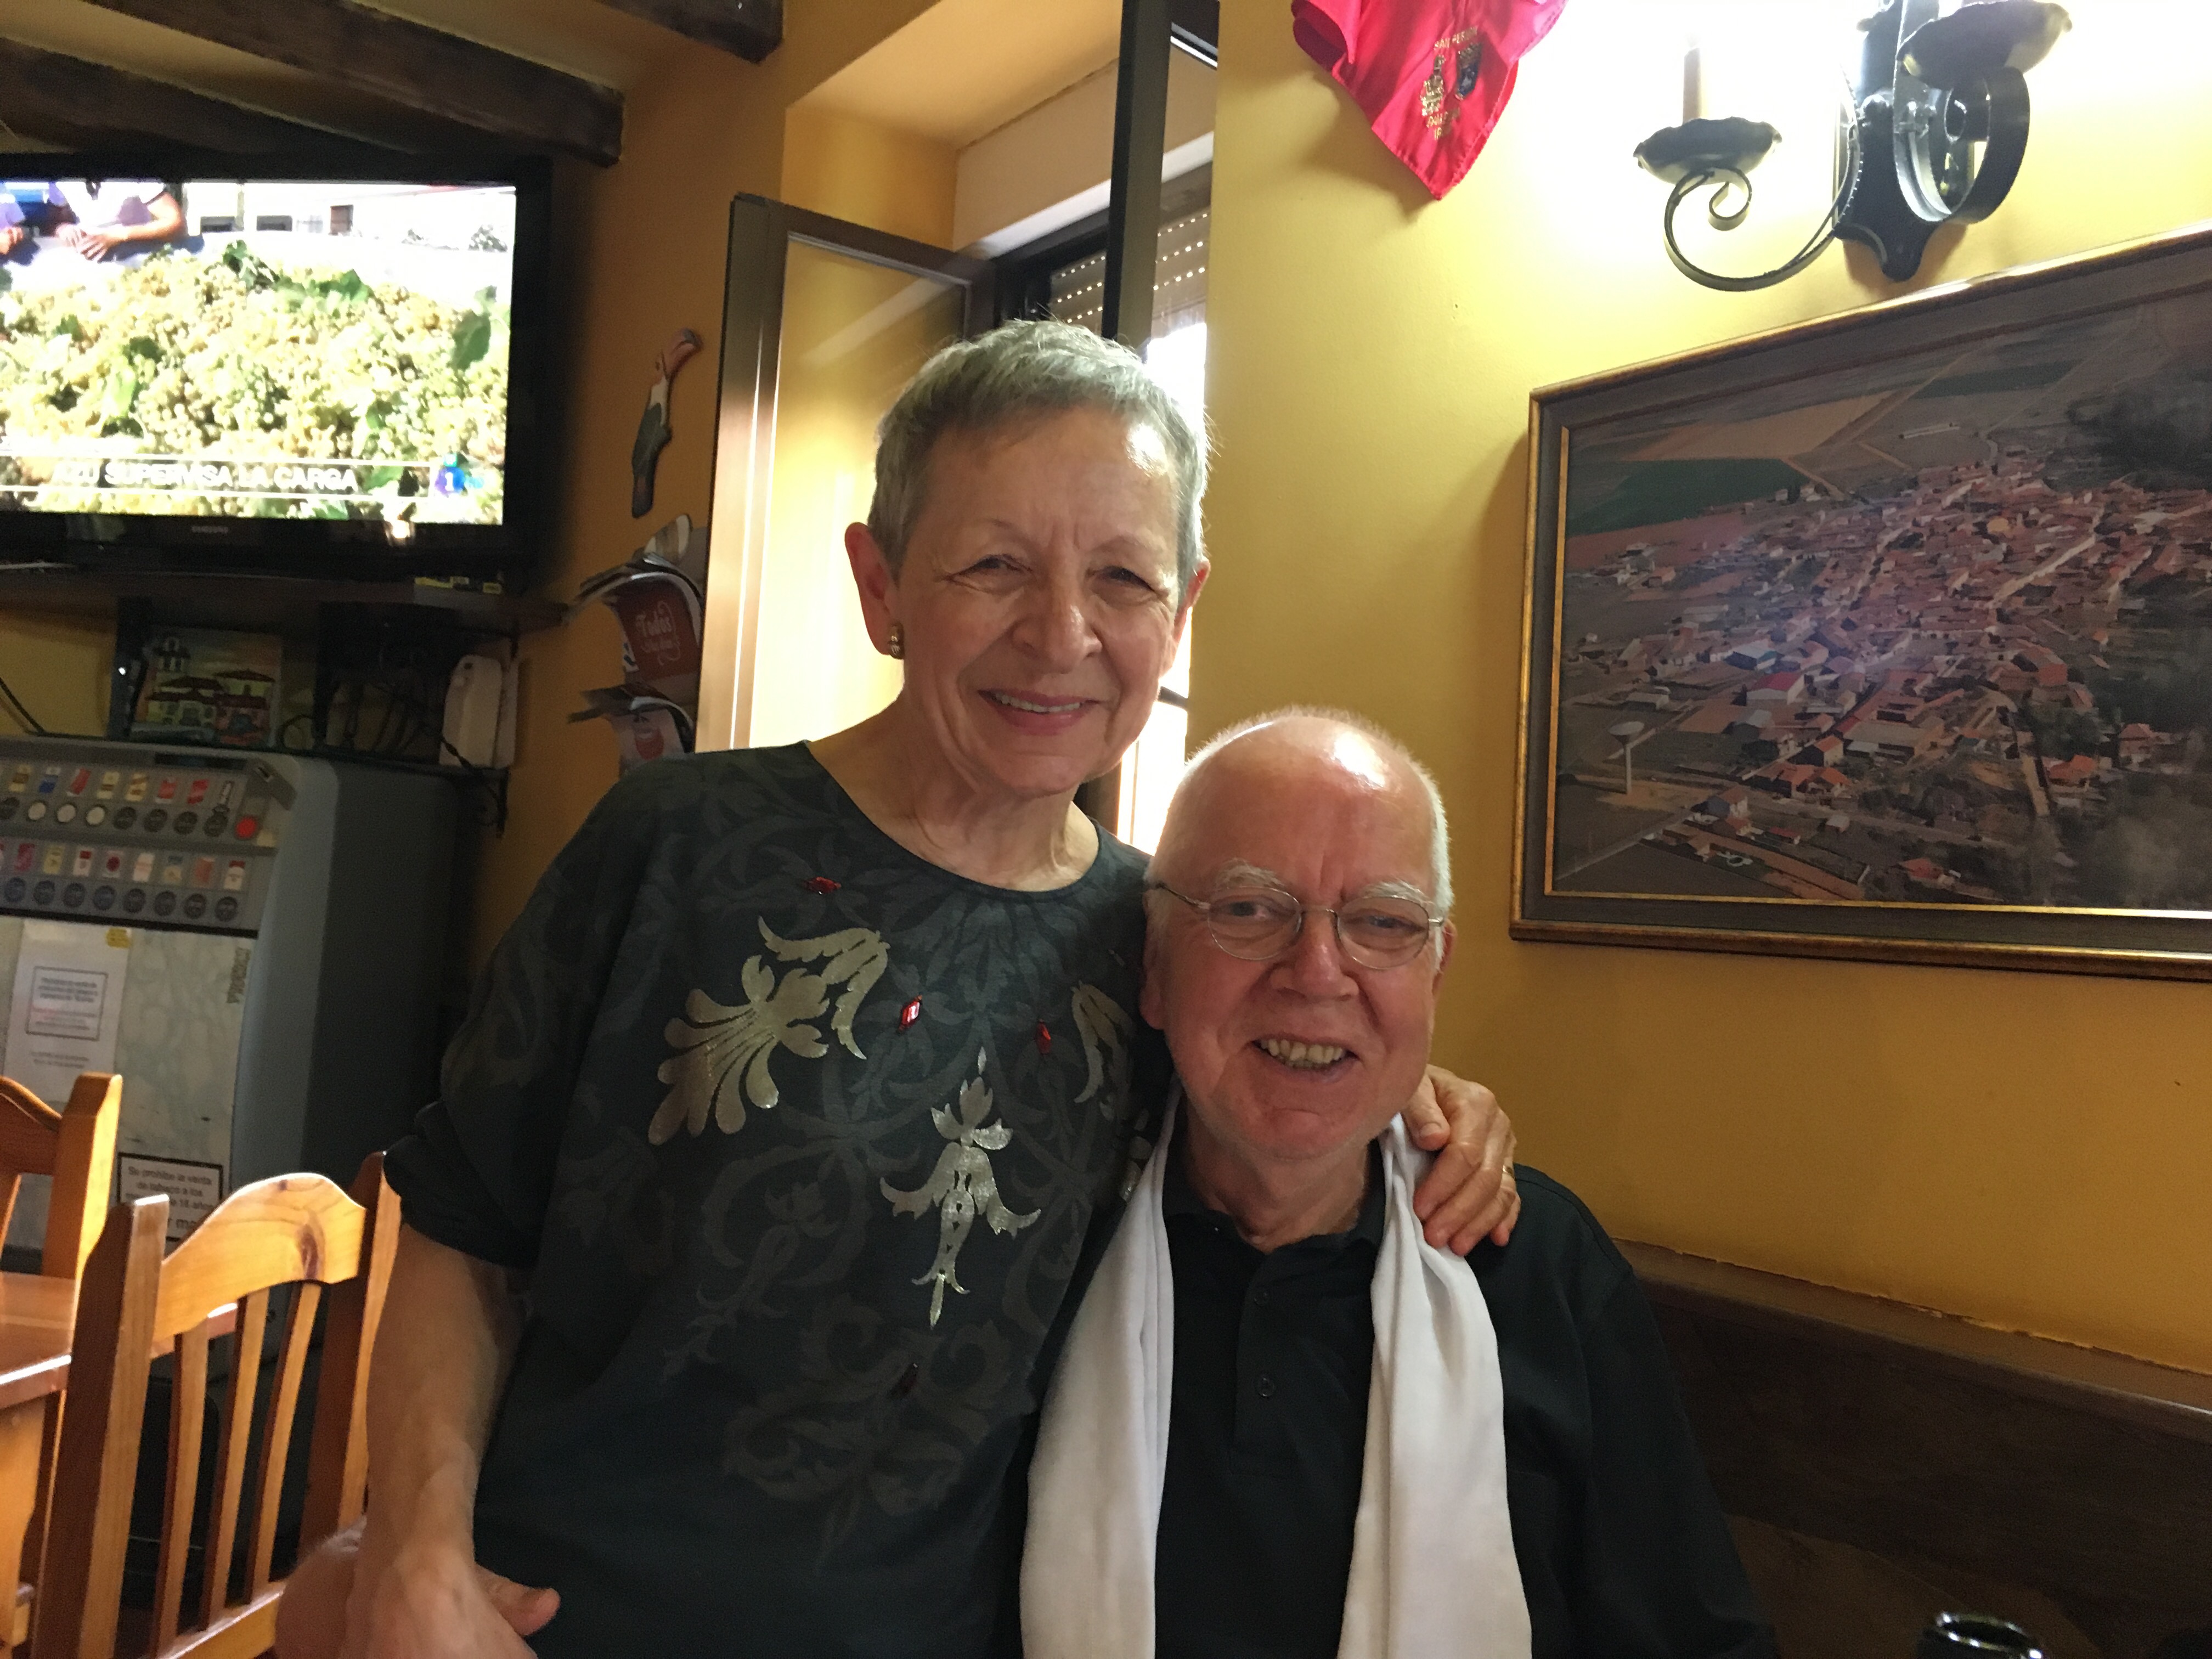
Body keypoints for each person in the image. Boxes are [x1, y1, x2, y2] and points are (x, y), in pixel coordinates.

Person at [280, 322, 1520, 1659]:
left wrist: (1431, 1107)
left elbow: (1294, 1077)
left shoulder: (1164, 938)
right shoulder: (675, 845)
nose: (1061, 633)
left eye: (1122, 577)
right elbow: (464, 1228)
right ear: (881, 587)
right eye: (994, 566)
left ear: (1181, 614)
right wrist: (414, 1555)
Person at [1024, 709, 1776, 1659]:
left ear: (1435, 974)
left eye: (1382, 923)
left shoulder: (1536, 1263)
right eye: (1249, 909)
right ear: (1155, 965)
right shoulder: (1040, 1241)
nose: (1318, 974)